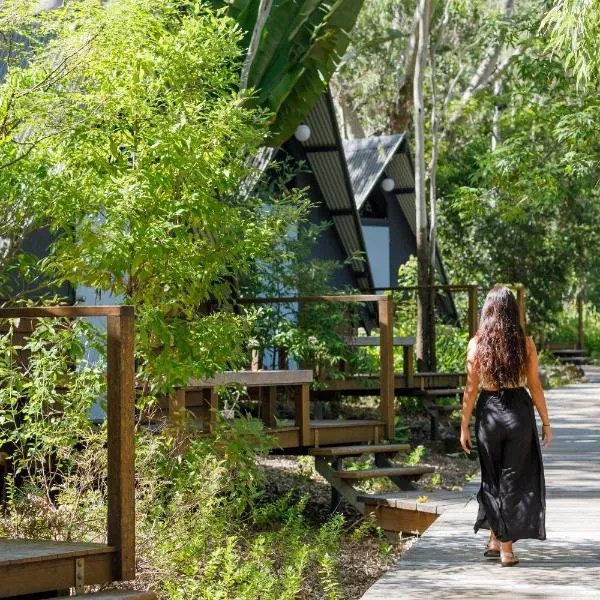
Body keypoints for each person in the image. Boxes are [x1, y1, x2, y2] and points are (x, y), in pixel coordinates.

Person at [460, 285, 551, 567]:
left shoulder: (476, 344)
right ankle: (504, 549)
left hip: (489, 414)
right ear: (513, 311)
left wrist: (464, 426)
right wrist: (546, 421)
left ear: (487, 311)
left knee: (491, 478)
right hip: (519, 414)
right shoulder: (525, 343)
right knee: (512, 480)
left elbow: (471, 390)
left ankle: (496, 540)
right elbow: (535, 386)